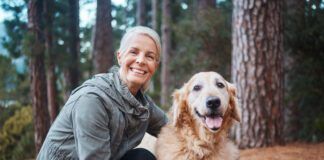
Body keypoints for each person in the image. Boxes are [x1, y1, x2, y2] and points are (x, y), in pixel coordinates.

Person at [37, 26, 168, 160]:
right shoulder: (93, 100)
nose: (141, 60)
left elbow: (174, 129)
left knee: (141, 157)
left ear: (155, 66)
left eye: (149, 56)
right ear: (120, 57)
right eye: (134, 52)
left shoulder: (142, 104)